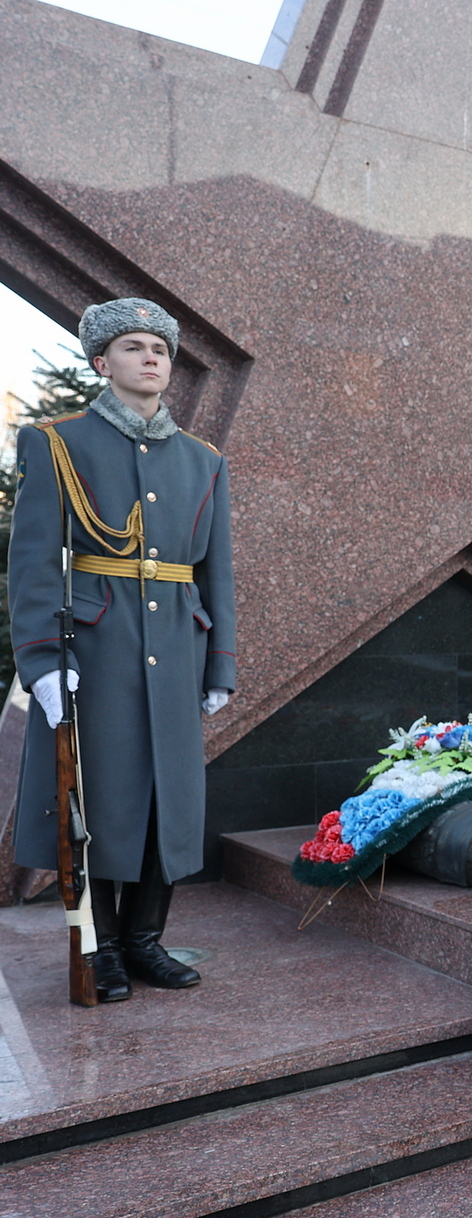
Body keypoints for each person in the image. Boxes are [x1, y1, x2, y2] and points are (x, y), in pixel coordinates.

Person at [9, 298, 237, 1003]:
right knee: (99, 800)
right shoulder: (58, 443)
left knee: (169, 799)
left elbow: (216, 572)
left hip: (176, 644)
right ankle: (100, 947)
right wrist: (43, 661)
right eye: (134, 346)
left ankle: (145, 941)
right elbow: (36, 561)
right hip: (97, 647)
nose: (151, 358)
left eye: (160, 349)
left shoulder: (204, 462)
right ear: (102, 362)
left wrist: (220, 661)